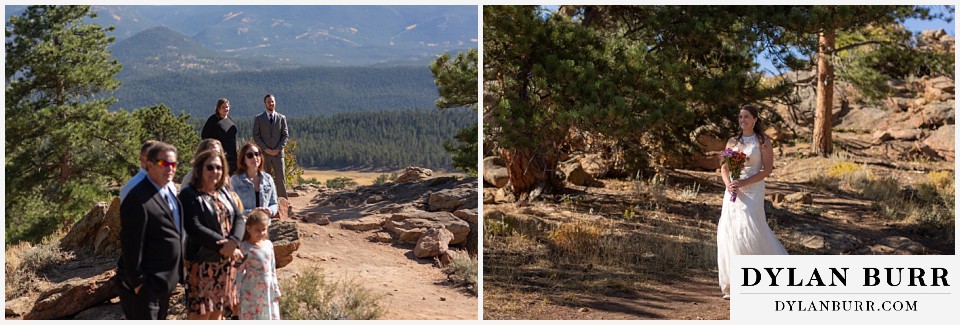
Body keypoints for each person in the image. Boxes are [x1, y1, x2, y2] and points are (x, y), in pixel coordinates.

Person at [717, 105, 788, 300]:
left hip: (753, 188)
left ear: (755, 119)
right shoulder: (732, 141)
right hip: (732, 190)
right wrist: (729, 184)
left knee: (751, 228)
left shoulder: (763, 141)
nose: (743, 120)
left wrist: (744, 182)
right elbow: (724, 168)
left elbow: (767, 169)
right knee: (730, 230)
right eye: (740, 117)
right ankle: (734, 282)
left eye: (746, 117)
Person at [117, 142, 183, 319]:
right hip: (145, 286)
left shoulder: (169, 190)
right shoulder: (137, 196)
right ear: (149, 165)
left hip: (163, 283)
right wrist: (138, 283)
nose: (170, 168)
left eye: (173, 164)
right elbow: (130, 242)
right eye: (164, 164)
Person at [179, 149, 245, 319]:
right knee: (201, 315)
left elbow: (238, 217)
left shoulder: (223, 191)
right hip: (202, 265)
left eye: (219, 167)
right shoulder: (189, 194)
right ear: (199, 169)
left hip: (225, 264)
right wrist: (226, 245)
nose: (215, 171)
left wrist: (234, 241)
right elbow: (194, 227)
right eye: (210, 167)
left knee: (218, 314)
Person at [235, 210, 281, 320]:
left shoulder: (268, 245)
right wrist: (236, 293)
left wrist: (276, 289)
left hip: (267, 291)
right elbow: (239, 272)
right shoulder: (245, 247)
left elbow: (272, 269)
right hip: (250, 292)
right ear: (248, 228)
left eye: (263, 230)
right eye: (257, 230)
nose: (261, 233)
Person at [253, 94, 289, 199]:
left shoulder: (282, 118)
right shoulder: (259, 118)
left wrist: (278, 149)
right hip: (264, 154)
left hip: (278, 154)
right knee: (264, 179)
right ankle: (265, 201)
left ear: (275, 102)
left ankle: (283, 202)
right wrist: (265, 149)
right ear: (265, 103)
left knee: (281, 179)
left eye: (272, 101)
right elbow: (256, 135)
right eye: (269, 102)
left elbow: (285, 135)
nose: (271, 104)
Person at [230, 142, 279, 216]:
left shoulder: (268, 179)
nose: (255, 158)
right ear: (243, 159)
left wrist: (271, 210)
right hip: (244, 225)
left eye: (257, 154)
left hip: (264, 225)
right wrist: (251, 212)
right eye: (250, 155)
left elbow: (274, 203)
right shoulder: (235, 180)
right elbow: (231, 208)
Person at [201, 98, 238, 175]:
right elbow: (204, 136)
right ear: (218, 108)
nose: (225, 109)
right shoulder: (213, 120)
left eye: (227, 107)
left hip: (232, 155)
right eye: (223, 107)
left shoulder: (229, 119)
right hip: (220, 155)